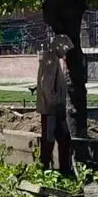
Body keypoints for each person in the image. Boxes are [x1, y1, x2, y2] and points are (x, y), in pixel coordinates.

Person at [36, 34, 74, 175]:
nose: (66, 51)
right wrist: (56, 101)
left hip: (55, 109)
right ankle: (46, 169)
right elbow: (46, 85)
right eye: (65, 48)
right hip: (52, 109)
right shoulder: (50, 58)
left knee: (62, 139)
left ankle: (61, 170)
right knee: (50, 140)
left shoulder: (52, 58)